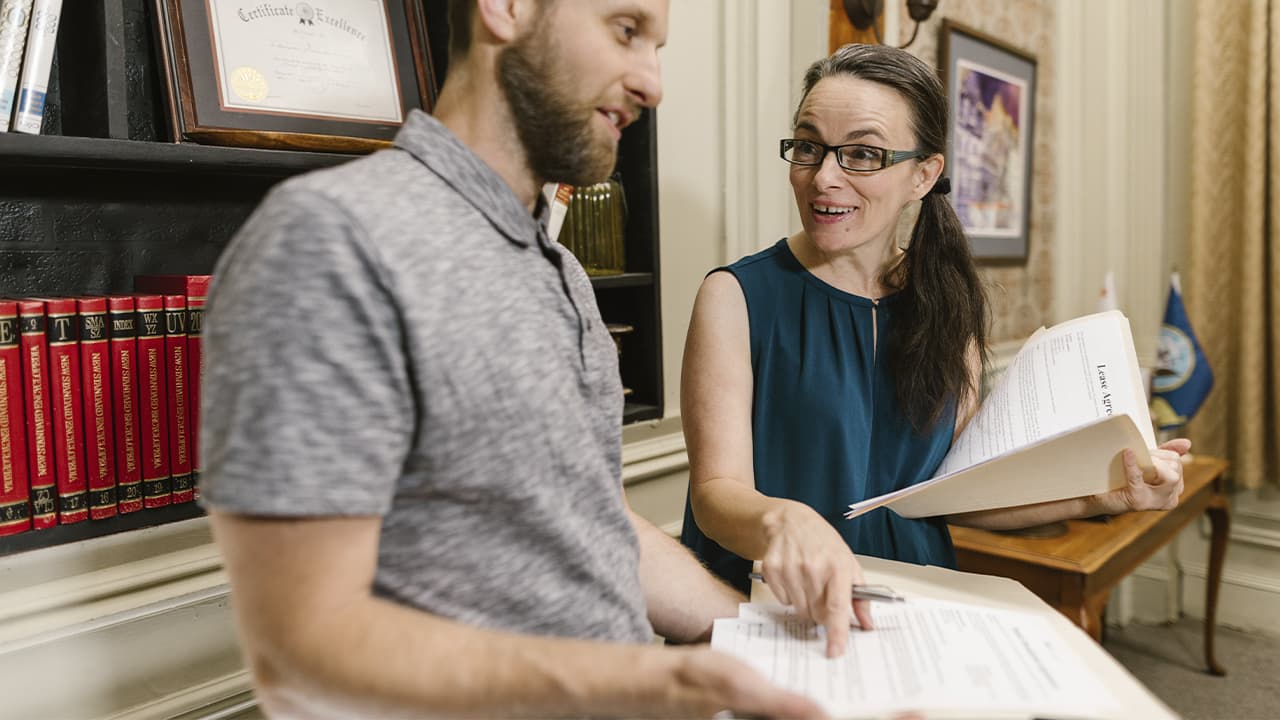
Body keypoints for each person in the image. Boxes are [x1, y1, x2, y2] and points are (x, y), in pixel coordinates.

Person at [198, 1, 826, 717]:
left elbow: (591, 524)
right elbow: (302, 648)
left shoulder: (555, 267)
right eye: (626, 31)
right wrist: (667, 684)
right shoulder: (329, 240)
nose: (653, 84)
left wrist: (767, 640)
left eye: (657, 46)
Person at [679, 43, 1190, 659]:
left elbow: (958, 495)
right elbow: (714, 495)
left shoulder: (949, 308)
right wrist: (782, 523)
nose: (823, 176)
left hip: (910, 613)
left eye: (863, 154)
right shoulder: (735, 296)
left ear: (923, 174)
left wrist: (1105, 495)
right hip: (771, 612)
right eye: (808, 145)